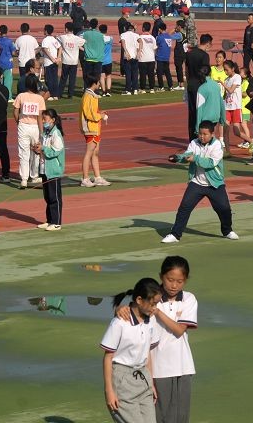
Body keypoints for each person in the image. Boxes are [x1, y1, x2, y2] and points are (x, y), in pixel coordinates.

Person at [114, 256, 197, 423]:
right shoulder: (151, 300)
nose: (174, 285)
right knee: (159, 416)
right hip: (157, 369)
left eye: (180, 281)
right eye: (170, 279)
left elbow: (180, 330)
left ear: (186, 280)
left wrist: (158, 312)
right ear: (161, 277)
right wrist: (120, 308)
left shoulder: (188, 299)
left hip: (183, 367)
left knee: (181, 417)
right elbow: (133, 307)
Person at [161, 121, 238, 243]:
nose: (202, 136)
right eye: (200, 134)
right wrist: (177, 158)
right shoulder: (194, 143)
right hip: (196, 183)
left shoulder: (217, 145)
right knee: (184, 207)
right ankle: (175, 234)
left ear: (212, 134)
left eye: (205, 134)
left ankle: (227, 230)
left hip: (215, 184)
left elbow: (210, 163)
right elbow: (187, 155)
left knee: (224, 209)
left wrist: (195, 158)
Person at [100, 277, 162, 423]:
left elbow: (147, 353)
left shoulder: (151, 320)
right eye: (153, 304)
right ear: (139, 300)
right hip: (122, 382)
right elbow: (108, 357)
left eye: (157, 304)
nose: (155, 308)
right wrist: (109, 391)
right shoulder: (119, 322)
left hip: (143, 379)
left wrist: (150, 383)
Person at [13, 74, 46, 189]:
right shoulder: (40, 98)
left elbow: (15, 111)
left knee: (23, 153)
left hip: (23, 125)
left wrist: (19, 122)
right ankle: (34, 175)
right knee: (36, 151)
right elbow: (39, 117)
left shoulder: (21, 96)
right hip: (35, 127)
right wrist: (42, 133)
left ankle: (24, 179)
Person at [37, 109, 65, 231]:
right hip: (45, 169)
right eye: (43, 119)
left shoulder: (56, 134)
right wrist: (37, 149)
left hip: (53, 170)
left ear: (53, 120)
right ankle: (49, 220)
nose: (43, 121)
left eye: (45, 119)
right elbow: (44, 150)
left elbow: (55, 151)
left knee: (55, 197)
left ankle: (56, 222)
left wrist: (43, 148)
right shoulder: (45, 133)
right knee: (47, 197)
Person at [80, 74, 110, 187]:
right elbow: (89, 114)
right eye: (98, 82)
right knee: (89, 153)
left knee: (95, 153)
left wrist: (100, 113)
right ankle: (85, 178)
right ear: (94, 83)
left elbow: (93, 111)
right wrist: (100, 116)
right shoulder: (88, 96)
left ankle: (97, 177)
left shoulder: (92, 96)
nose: (99, 84)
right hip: (90, 128)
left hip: (95, 128)